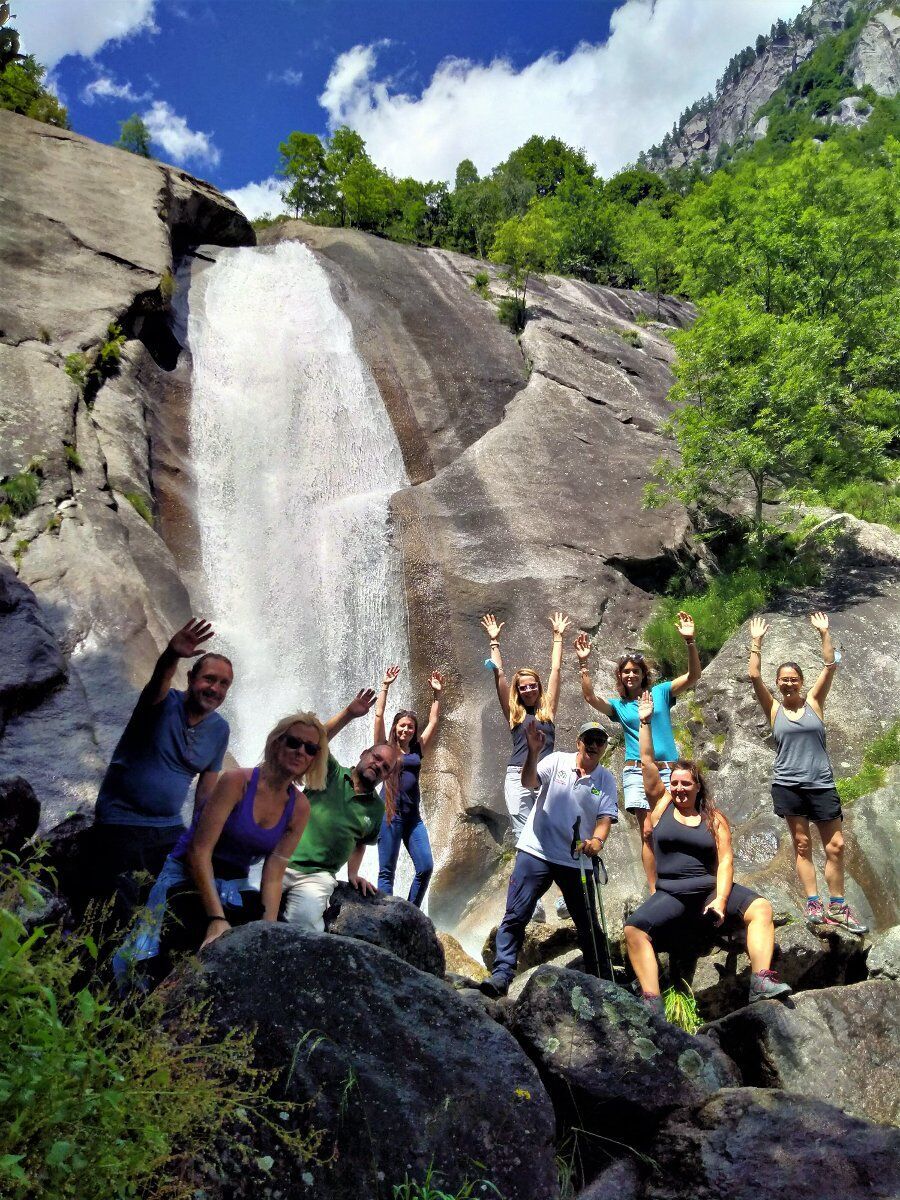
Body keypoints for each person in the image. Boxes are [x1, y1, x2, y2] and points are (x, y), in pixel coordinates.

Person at [113, 712, 321, 986]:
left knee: (246, 961)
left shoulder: (300, 807)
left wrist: (266, 932)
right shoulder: (236, 782)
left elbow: (273, 873)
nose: (300, 752)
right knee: (167, 957)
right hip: (187, 875)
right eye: (294, 742)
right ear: (276, 743)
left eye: (310, 748)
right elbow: (199, 851)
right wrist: (216, 918)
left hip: (235, 885)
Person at [624, 692, 792, 1012]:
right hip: (671, 893)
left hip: (707, 892)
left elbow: (726, 859)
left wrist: (722, 899)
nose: (679, 789)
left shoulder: (714, 819)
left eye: (686, 784)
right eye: (675, 783)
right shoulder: (661, 806)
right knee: (634, 927)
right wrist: (645, 722)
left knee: (761, 909)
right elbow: (647, 762)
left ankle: (761, 981)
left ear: (698, 786)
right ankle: (652, 1000)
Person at [93, 617, 233, 914]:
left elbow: (205, 795)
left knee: (183, 900)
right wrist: (171, 654)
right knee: (119, 907)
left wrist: (201, 841)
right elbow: (160, 679)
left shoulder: (219, 730)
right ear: (191, 677)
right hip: (121, 822)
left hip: (168, 829)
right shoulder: (159, 703)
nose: (215, 689)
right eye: (209, 679)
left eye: (223, 684)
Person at [480, 719, 618, 998]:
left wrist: (597, 841)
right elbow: (529, 781)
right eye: (588, 739)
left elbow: (605, 818)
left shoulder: (605, 779)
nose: (592, 745)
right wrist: (532, 752)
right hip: (536, 850)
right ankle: (502, 973)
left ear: (604, 747)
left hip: (576, 858)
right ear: (578, 741)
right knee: (516, 913)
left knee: (587, 921)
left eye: (599, 741)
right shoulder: (556, 761)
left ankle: (603, 978)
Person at [747, 612, 866, 934]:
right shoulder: (773, 708)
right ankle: (814, 902)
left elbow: (830, 666)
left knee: (836, 845)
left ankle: (838, 905)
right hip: (788, 784)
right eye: (783, 679)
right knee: (801, 844)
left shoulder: (815, 701)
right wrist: (756, 642)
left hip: (821, 784)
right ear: (778, 683)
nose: (788, 682)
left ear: (800, 681)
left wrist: (824, 634)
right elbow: (754, 676)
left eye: (793, 678)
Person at [575, 613, 701, 893]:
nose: (631, 675)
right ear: (620, 677)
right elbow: (590, 698)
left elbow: (694, 676)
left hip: (669, 769)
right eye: (626, 672)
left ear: (644, 674)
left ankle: (685, 879)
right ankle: (657, 891)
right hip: (636, 770)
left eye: (635, 671)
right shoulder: (620, 707)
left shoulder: (661, 693)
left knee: (678, 825)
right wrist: (583, 664)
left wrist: (690, 642)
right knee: (647, 832)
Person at [281, 688, 399, 932]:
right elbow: (314, 742)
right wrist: (348, 713)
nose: (377, 766)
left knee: (303, 928)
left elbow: (360, 842)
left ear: (387, 776)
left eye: (385, 766)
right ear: (363, 754)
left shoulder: (377, 809)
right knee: (245, 903)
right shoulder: (331, 772)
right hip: (279, 860)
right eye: (375, 758)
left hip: (318, 878)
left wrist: (353, 873)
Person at [481, 611, 570, 922]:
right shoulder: (514, 715)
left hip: (547, 778)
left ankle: (563, 899)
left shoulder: (548, 710)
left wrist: (558, 636)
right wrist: (494, 641)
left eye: (532, 685)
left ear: (538, 687)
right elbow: (499, 676)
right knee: (524, 838)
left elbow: (556, 669)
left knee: (556, 834)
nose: (528, 690)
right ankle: (532, 903)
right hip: (518, 778)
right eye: (524, 687)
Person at [374, 665, 443, 907]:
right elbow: (379, 715)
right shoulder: (383, 748)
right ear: (396, 727)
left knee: (425, 866)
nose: (406, 729)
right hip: (389, 815)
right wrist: (385, 687)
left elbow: (434, 720)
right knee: (386, 873)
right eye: (402, 725)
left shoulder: (417, 748)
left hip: (413, 817)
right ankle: (384, 916)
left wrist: (436, 694)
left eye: (410, 727)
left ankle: (410, 913)